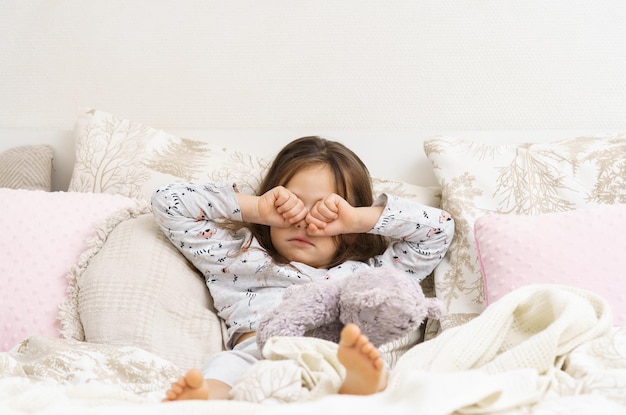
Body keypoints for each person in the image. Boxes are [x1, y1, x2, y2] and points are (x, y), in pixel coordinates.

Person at [151, 136, 454, 401]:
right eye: (291, 203)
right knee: (224, 368)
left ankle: (359, 389)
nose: (304, 221)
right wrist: (256, 208)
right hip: (260, 353)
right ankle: (205, 399)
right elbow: (168, 203)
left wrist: (357, 220)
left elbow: (438, 231)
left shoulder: (369, 276)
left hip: (337, 356)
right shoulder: (237, 258)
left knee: (363, 366)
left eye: (326, 209)